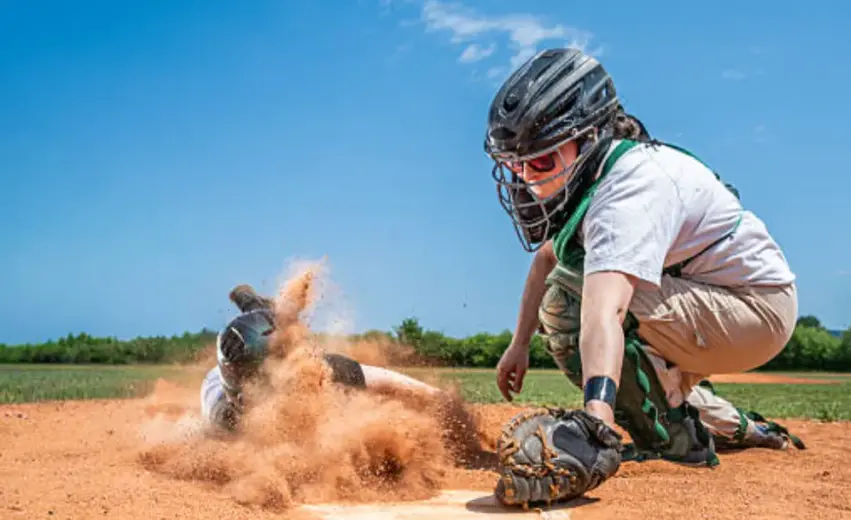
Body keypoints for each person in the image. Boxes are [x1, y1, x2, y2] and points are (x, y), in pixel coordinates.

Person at [485, 47, 805, 470]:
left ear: (589, 138)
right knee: (584, 292)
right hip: (707, 296)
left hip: (753, 307)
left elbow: (605, 310)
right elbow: (546, 258)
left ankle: (671, 441)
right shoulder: (595, 176)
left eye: (541, 160)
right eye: (515, 165)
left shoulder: (628, 190)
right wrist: (519, 344)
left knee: (570, 296)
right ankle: (736, 427)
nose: (526, 178)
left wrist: (595, 420)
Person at [200, 284, 440, 432]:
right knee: (266, 316)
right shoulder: (225, 416)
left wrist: (439, 400)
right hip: (226, 380)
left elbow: (391, 382)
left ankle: (249, 300)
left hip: (258, 336)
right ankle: (251, 301)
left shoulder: (316, 370)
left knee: (273, 317)